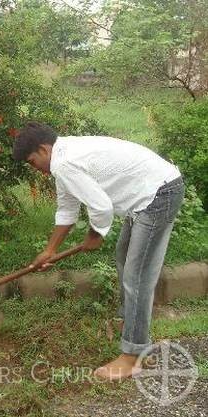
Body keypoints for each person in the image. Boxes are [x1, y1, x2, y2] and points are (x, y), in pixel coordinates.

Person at [13, 121, 184, 381]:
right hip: (150, 194)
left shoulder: (64, 162)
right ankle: (131, 325)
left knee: (136, 276)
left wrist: (95, 234)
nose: (35, 169)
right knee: (124, 260)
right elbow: (67, 209)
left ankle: (132, 355)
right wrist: (49, 250)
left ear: (43, 149)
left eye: (32, 161)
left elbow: (102, 208)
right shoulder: (63, 158)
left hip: (158, 194)